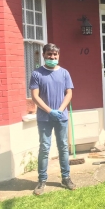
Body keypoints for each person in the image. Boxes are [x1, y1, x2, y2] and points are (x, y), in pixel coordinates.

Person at [30, 43, 76, 195]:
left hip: (61, 117)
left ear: (58, 56)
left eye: (55, 55)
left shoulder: (64, 73)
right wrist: (50, 111)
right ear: (44, 55)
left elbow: (68, 93)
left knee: (63, 147)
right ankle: (42, 180)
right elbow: (35, 97)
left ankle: (66, 177)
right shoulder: (37, 74)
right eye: (49, 54)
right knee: (44, 148)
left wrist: (60, 110)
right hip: (44, 118)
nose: (52, 57)